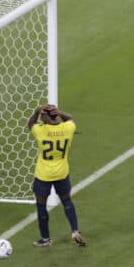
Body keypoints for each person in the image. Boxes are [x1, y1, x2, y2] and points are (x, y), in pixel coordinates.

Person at [27, 104, 85, 247]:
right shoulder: (67, 129)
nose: (41, 118)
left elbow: (31, 123)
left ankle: (46, 239)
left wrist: (36, 111)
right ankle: (75, 231)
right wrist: (59, 112)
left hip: (44, 175)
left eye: (42, 116)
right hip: (62, 173)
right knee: (67, 201)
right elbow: (70, 118)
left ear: (46, 118)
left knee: (41, 205)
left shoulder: (41, 130)